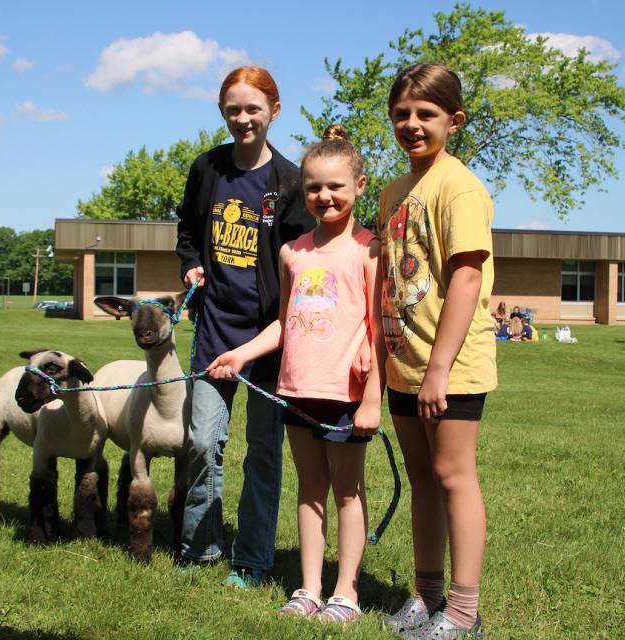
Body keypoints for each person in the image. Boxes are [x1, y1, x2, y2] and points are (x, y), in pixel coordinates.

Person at [207, 125, 384, 623]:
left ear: (360, 187)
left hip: (345, 395)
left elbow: (377, 330)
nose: (324, 196)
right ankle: (308, 589)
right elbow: (284, 323)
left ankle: (345, 593)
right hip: (295, 390)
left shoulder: (370, 251)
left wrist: (372, 398)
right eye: (313, 188)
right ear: (300, 190)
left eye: (336, 187)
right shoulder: (292, 253)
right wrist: (240, 355)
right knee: (309, 491)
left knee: (348, 492)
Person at [175, 66, 317, 588]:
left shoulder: (289, 182)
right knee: (200, 440)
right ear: (222, 112)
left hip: (271, 341)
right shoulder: (207, 167)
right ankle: (200, 546)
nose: (243, 119)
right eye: (234, 109)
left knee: (262, 450)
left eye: (253, 109)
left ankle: (252, 558)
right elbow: (188, 229)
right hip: (214, 331)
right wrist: (191, 262)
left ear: (274, 112)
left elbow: (305, 259)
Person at [379, 62, 496, 639]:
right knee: (422, 478)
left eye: (426, 114)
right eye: (402, 114)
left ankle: (464, 611)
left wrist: (440, 370)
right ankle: (426, 597)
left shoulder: (460, 186)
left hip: (450, 368)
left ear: (455, 120)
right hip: (404, 363)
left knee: (453, 476)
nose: (412, 124)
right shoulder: (393, 192)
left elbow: (467, 281)